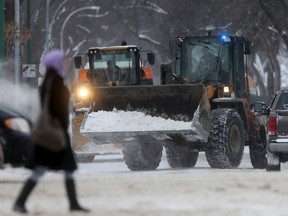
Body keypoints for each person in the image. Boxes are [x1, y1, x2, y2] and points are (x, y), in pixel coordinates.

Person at [13, 50, 90, 214]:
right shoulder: (57, 83)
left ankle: (72, 203)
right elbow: (58, 110)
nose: (66, 64)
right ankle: (72, 203)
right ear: (56, 63)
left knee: (45, 168)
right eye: (63, 61)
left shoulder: (47, 82)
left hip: (51, 132)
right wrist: (63, 125)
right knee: (61, 168)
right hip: (55, 133)